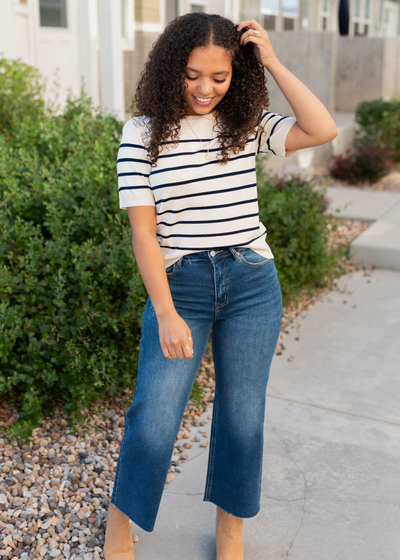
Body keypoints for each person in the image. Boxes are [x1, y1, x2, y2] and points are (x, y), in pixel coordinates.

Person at [103, 12, 337, 560]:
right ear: (170, 70)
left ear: (236, 75)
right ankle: (121, 521)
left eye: (219, 77)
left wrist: (272, 61)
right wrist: (163, 310)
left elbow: (322, 128)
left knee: (242, 415)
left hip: (252, 283)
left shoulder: (246, 123)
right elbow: (143, 230)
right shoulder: (141, 133)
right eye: (192, 75)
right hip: (180, 286)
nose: (205, 89)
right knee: (154, 417)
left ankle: (230, 530)